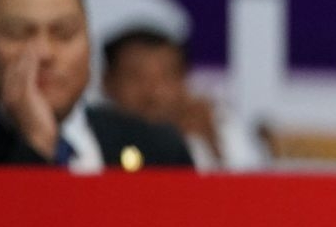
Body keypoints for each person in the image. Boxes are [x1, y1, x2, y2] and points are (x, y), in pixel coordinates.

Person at [0, 0, 192, 169]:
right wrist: (37, 143)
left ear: (89, 46)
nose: (44, 53)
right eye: (17, 33)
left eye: (64, 33)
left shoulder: (159, 148)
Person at [101, 26, 265, 170]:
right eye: (136, 77)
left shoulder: (214, 126)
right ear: (107, 82)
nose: (153, 93)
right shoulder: (94, 137)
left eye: (166, 76)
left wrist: (213, 145)